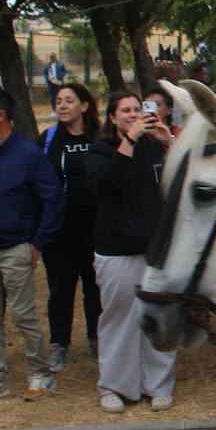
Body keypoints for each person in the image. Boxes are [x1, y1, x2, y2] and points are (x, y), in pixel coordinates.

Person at [0, 87, 64, 405]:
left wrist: (37, 244)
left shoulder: (29, 154)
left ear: (0, 115)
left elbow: (54, 199)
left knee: (23, 314)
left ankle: (39, 373)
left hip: (16, 247)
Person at [86, 91, 177, 413]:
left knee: (160, 319)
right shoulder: (101, 151)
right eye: (125, 110)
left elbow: (184, 182)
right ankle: (115, 386)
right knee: (119, 320)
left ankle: (159, 384)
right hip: (117, 250)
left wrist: (169, 144)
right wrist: (130, 141)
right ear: (112, 117)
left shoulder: (156, 147)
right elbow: (107, 183)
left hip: (156, 250)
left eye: (138, 109)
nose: (133, 114)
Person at [41, 83, 102, 373]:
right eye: (59, 101)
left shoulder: (100, 137)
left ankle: (97, 338)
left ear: (84, 105)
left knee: (96, 287)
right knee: (61, 289)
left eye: (69, 100)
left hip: (96, 227)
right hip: (60, 231)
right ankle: (59, 344)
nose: (62, 105)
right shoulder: (49, 138)